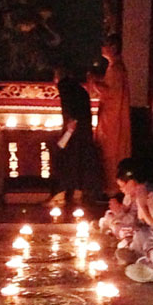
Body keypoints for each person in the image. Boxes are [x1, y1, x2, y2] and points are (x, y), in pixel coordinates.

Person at [48, 66, 102, 206]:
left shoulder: (65, 87)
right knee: (79, 162)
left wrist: (69, 129)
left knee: (64, 160)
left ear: (57, 78)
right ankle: (77, 194)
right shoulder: (79, 89)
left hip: (73, 131)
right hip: (84, 133)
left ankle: (60, 194)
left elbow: (69, 110)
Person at [88, 34, 131, 196]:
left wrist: (94, 82)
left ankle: (112, 187)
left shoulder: (116, 68)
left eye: (105, 45)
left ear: (113, 48)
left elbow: (111, 93)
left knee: (110, 153)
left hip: (112, 119)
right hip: (110, 116)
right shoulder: (114, 67)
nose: (102, 48)